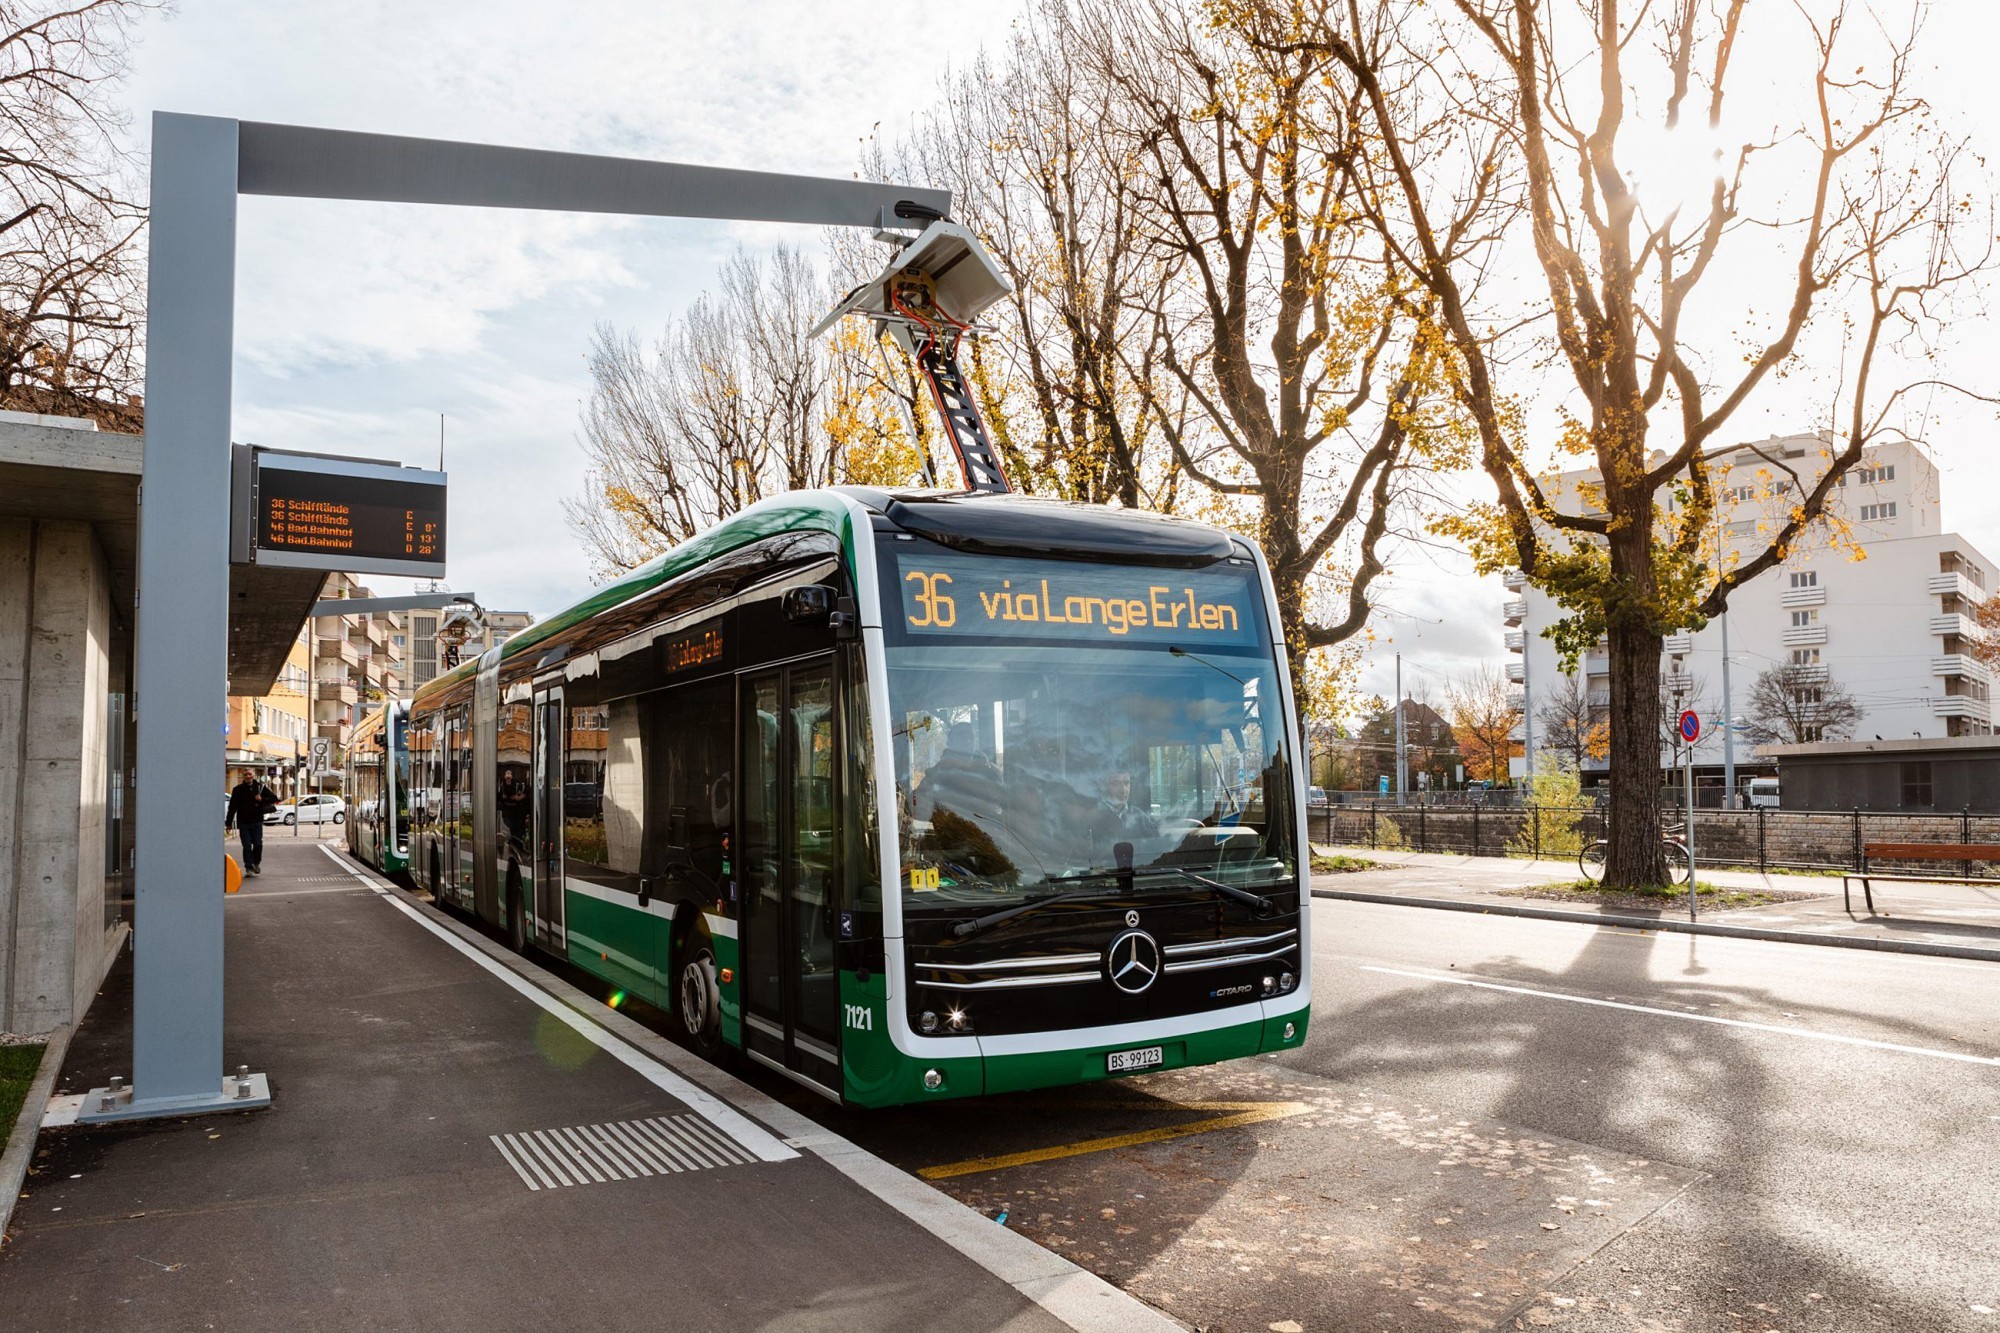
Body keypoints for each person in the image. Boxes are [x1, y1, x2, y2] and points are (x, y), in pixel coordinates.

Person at [1087, 769, 1156, 854]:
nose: (1123, 790)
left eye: (1126, 783)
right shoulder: (1092, 816)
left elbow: (1155, 849)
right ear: (1104, 786)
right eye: (1115, 784)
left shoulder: (1139, 816)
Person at [225, 768, 277, 876]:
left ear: (253, 775)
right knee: (247, 845)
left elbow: (275, 798)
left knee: (258, 844)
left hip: (257, 821)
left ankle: (256, 863)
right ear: (242, 776)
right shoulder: (238, 790)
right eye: (245, 774)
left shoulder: (260, 787)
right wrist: (228, 823)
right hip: (244, 823)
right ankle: (248, 867)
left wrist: (261, 799)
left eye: (250, 774)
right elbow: (232, 807)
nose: (248, 776)